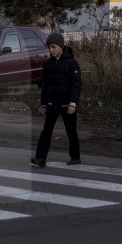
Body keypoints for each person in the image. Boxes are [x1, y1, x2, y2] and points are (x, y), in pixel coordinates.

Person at [31, 32, 82, 167]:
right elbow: (45, 86)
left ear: (60, 46)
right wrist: (43, 104)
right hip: (52, 104)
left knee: (71, 131)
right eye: (49, 47)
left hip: (67, 105)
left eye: (53, 47)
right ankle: (40, 158)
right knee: (46, 131)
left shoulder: (72, 63)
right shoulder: (48, 64)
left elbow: (76, 85)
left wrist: (73, 103)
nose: (50, 50)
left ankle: (75, 157)